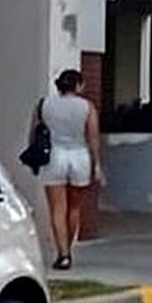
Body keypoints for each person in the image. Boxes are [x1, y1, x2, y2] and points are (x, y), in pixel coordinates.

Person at [35, 70, 101, 270]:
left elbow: (34, 132)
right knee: (74, 208)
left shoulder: (44, 104)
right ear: (78, 85)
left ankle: (63, 254)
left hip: (55, 156)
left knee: (57, 208)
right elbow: (93, 137)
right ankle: (68, 248)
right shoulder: (87, 107)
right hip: (79, 156)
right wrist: (96, 163)